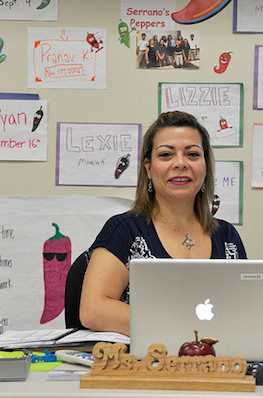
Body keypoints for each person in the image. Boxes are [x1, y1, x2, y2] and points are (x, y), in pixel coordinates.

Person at [79, 111, 247, 335]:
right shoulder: (125, 230)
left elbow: (247, 313)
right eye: (166, 154)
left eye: (193, 154)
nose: (180, 163)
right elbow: (93, 311)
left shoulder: (227, 237)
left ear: (205, 168)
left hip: (215, 363)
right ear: (148, 168)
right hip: (145, 364)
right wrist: (186, 326)